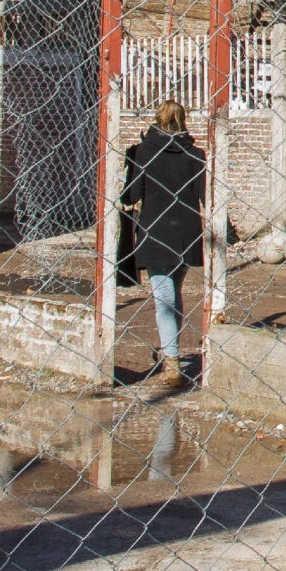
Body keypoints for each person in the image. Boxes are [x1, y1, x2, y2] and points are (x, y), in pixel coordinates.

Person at [125, 100, 206, 386]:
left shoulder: (145, 153)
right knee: (174, 293)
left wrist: (130, 165)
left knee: (163, 299)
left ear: (156, 121)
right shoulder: (196, 155)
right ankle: (171, 352)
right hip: (186, 233)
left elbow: (131, 196)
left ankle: (171, 362)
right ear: (184, 121)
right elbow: (204, 198)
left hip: (155, 232)